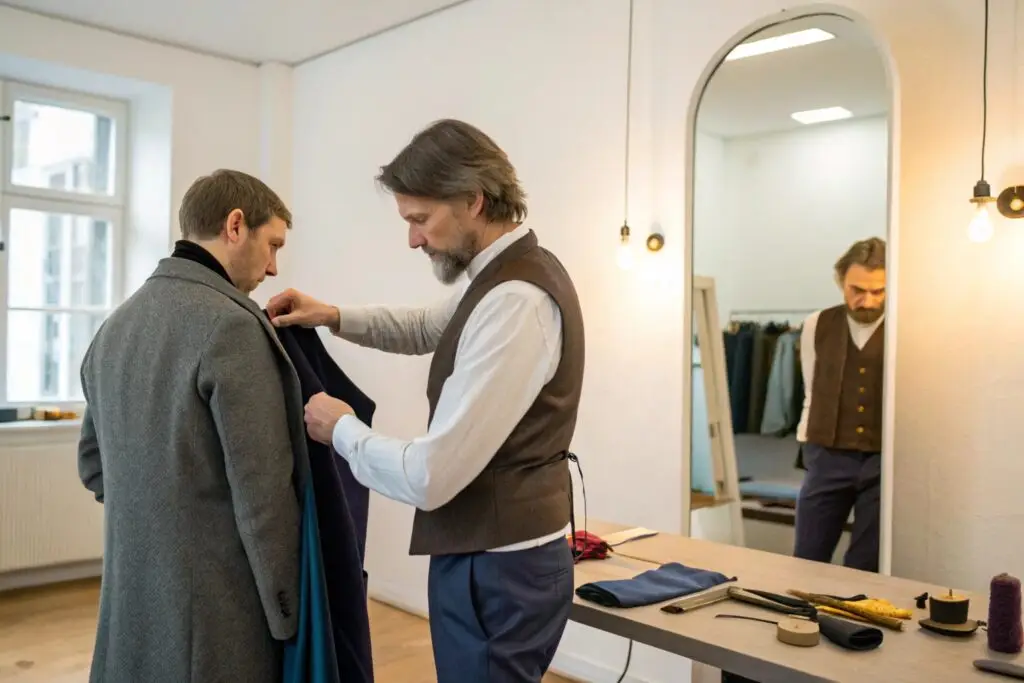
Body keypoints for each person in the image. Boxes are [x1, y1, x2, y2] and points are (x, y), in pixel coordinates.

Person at [267, 118, 586, 683]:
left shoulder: (517, 303)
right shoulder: (500, 277)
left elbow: (430, 475)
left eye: (420, 219)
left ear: (474, 200)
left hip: (499, 571)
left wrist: (340, 429)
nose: (413, 238)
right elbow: (426, 327)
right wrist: (331, 316)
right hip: (490, 559)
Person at [77, 169, 302, 683]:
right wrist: (290, 612)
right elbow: (262, 495)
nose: (273, 268)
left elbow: (94, 465)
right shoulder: (233, 327)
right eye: (272, 245)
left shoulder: (115, 326)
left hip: (130, 602)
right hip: (219, 610)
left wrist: (156, 526)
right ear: (235, 225)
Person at [793, 237, 886, 572]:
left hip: (883, 459)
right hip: (826, 453)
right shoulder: (817, 324)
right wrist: (809, 446)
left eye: (878, 291)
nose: (867, 300)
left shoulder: (906, 326)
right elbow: (811, 387)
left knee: (866, 561)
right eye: (857, 289)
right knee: (809, 553)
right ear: (841, 283)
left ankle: (851, 622)